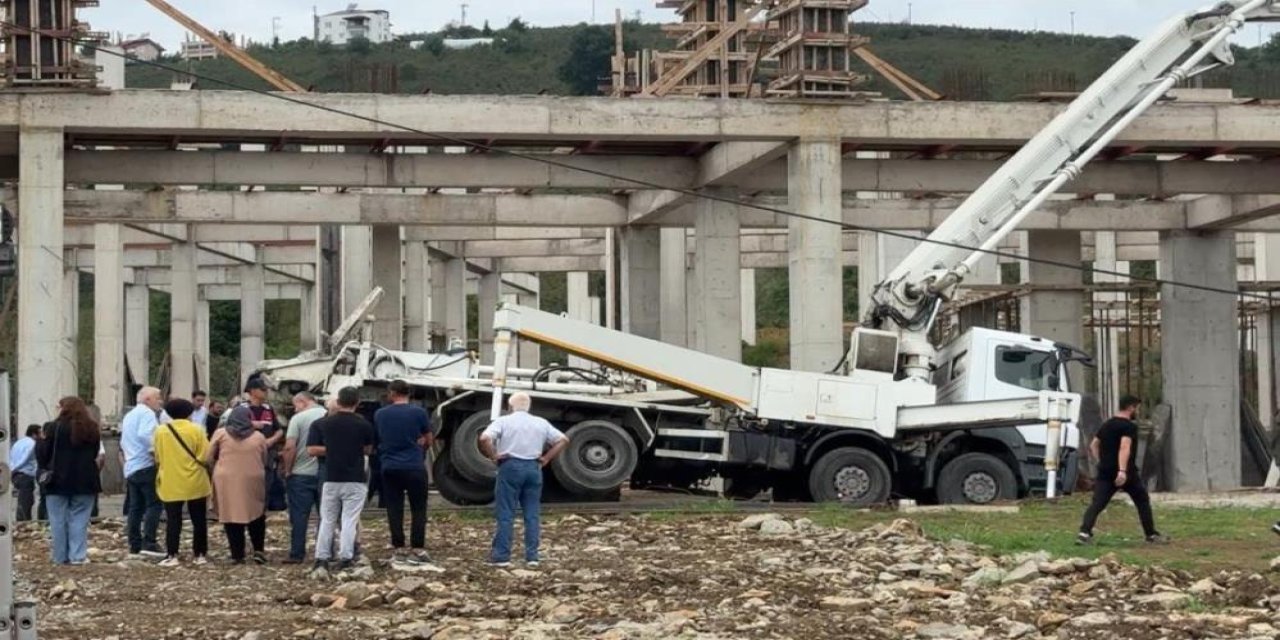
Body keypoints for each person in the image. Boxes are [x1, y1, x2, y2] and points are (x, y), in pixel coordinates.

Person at [479, 392, 570, 568]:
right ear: (529, 406)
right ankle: (532, 557)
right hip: (533, 468)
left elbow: (484, 438)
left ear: (510, 406)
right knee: (532, 514)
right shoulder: (540, 422)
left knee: (506, 512)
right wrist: (547, 458)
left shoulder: (503, 421)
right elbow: (563, 439)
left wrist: (494, 456)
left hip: (510, 466)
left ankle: (502, 556)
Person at [1078, 394, 1165, 545]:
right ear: (1131, 407)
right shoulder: (1128, 426)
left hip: (1105, 471)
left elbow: (1093, 445)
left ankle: (1084, 533)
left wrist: (1101, 461)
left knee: (1098, 503)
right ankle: (1151, 534)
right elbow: (1125, 447)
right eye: (1137, 408)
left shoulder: (1107, 424)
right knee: (1142, 500)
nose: (1137, 411)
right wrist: (1122, 471)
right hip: (1126, 473)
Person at [307, 386, 374, 571]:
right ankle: (346, 556)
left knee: (327, 519)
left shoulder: (323, 424)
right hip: (355, 478)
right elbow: (368, 449)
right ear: (358, 402)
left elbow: (312, 449)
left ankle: (322, 557)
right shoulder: (363, 424)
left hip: (331, 477)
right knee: (349, 519)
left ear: (339, 401)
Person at [36, 397, 103, 565]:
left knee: (57, 520)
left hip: (57, 480)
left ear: (63, 408)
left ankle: (60, 556)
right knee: (79, 519)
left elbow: (43, 454)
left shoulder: (53, 427)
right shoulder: (92, 428)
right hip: (86, 480)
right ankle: (77, 555)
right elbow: (95, 453)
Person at [375, 380, 433, 565]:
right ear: (409, 393)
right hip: (414, 465)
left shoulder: (380, 414)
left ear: (392, 393)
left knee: (394, 507)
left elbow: (380, 437)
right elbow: (428, 438)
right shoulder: (419, 412)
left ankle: (398, 547)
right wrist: (421, 444)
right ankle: (417, 547)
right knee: (418, 508)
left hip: (390, 466)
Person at [208, 406, 270, 564]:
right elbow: (264, 457)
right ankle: (258, 550)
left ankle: (237, 554)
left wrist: (213, 468)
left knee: (231, 515)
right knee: (255, 513)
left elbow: (208, 456)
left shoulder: (221, 433)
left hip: (226, 479)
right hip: (253, 477)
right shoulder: (258, 436)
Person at [153, 398, 212, 567]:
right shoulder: (197, 429)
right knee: (199, 518)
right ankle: (199, 554)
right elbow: (205, 454)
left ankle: (172, 554)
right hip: (195, 479)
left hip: (171, 480)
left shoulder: (161, 431)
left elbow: (157, 456)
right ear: (189, 412)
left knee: (173, 519)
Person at [120, 387, 167, 558]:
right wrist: (156, 454)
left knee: (135, 507)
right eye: (157, 398)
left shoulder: (130, 415)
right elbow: (146, 435)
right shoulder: (147, 414)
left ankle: (134, 543)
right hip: (146, 464)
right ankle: (150, 542)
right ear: (147, 399)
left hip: (131, 465)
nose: (160, 401)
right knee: (154, 505)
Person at [282, 392, 326, 564]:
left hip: (300, 474)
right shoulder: (327, 415)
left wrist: (287, 469)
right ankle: (324, 552)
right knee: (325, 515)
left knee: (299, 516)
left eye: (295, 405)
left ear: (302, 401)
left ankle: (297, 553)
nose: (295, 409)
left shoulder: (298, 419)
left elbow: (289, 446)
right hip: (324, 473)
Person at [11, 424, 40, 522]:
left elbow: (12, 456)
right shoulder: (32, 444)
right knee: (26, 502)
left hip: (16, 476)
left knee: (22, 501)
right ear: (34, 434)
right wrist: (15, 468)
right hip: (25, 475)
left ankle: (21, 521)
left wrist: (12, 470)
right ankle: (24, 524)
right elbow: (24, 458)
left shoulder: (18, 442)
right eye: (39, 433)